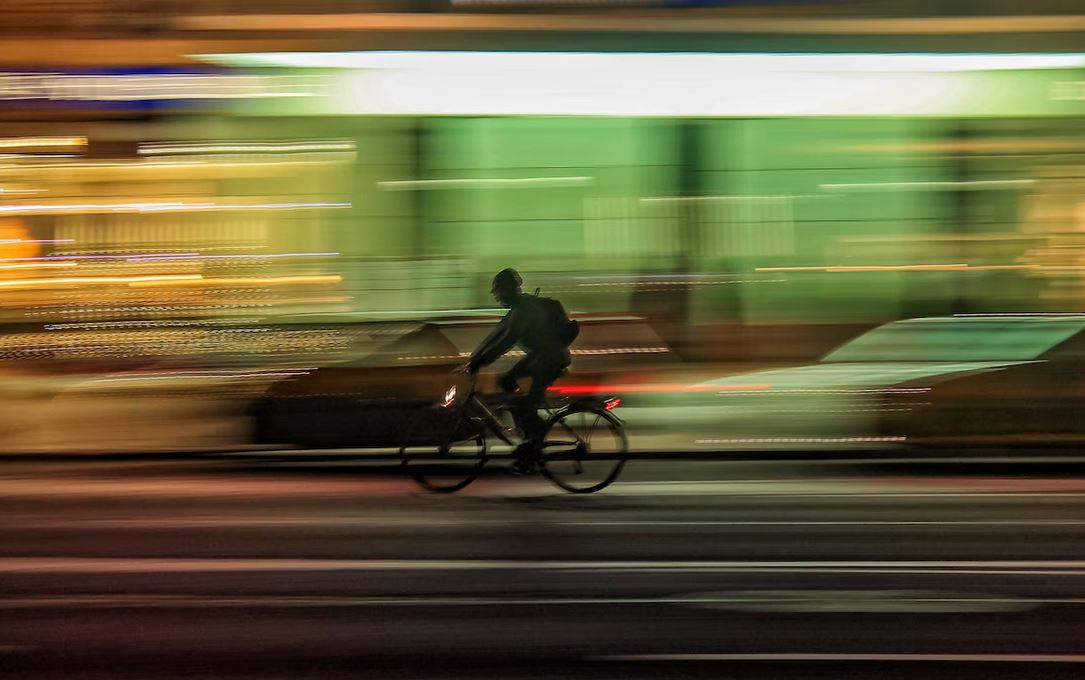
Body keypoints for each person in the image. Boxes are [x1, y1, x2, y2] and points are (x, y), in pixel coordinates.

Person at [459, 268, 574, 473]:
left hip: (550, 360)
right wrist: (473, 359)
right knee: (506, 383)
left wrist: (481, 362)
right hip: (540, 357)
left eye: (498, 292)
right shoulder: (517, 311)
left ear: (508, 290)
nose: (496, 297)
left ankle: (533, 444)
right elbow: (495, 336)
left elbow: (506, 341)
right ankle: (529, 434)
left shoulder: (525, 310)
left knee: (526, 401)